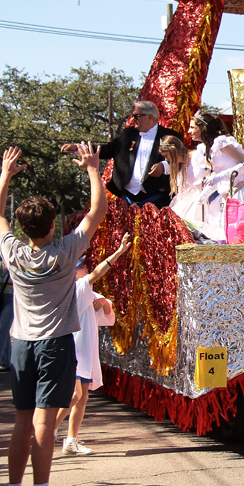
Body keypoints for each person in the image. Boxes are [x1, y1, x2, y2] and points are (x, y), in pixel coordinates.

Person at [0, 143, 108, 486]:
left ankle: (14, 484)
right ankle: (41, 484)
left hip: (21, 344)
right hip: (56, 346)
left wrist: (4, 176)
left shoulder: (12, 252)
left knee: (21, 422)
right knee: (44, 425)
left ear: (23, 228)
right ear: (52, 226)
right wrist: (93, 168)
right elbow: (97, 211)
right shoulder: (65, 252)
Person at [55, 233, 127, 455]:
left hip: (84, 353)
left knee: (82, 397)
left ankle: (70, 440)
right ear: (73, 272)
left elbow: (107, 314)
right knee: (75, 395)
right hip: (73, 351)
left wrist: (104, 303)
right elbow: (97, 273)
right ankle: (47, 429)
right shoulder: (75, 288)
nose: (85, 269)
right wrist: (119, 252)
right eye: (82, 267)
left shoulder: (86, 292)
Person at [61, 101, 182, 207]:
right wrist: (78, 148)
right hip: (126, 200)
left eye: (137, 116)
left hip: (157, 200)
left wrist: (164, 167)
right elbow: (106, 150)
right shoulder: (128, 134)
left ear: (150, 117)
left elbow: (181, 160)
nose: (133, 119)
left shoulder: (170, 137)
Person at [190, 113, 244, 242]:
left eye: (192, 127)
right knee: (219, 234)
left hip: (236, 192)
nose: (189, 131)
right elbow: (218, 173)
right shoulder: (208, 147)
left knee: (236, 235)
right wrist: (206, 191)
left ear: (202, 128)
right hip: (222, 195)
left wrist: (220, 177)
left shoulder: (221, 142)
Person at [159, 135, 207, 227]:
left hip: (201, 207)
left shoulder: (196, 157)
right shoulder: (180, 167)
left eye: (166, 156)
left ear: (173, 151)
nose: (166, 159)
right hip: (187, 209)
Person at [0, 259, 12, 372]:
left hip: (12, 299)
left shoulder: (15, 265)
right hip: (1, 298)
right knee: (4, 329)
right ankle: (6, 361)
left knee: (2, 328)